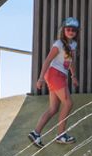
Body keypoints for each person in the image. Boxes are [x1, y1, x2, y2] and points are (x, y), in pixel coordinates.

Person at [29, 17, 81, 147]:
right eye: (68, 29)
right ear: (63, 30)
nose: (71, 32)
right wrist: (40, 78)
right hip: (54, 74)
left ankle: (36, 133)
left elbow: (69, 62)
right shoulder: (59, 44)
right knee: (68, 103)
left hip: (61, 76)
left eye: (74, 30)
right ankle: (61, 134)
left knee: (53, 108)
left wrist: (73, 76)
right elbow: (47, 61)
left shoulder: (72, 45)